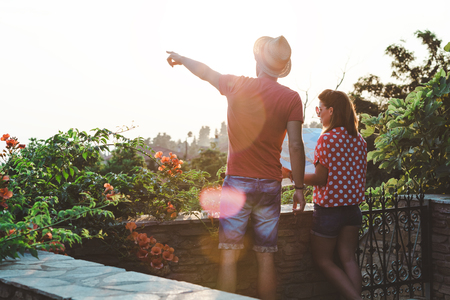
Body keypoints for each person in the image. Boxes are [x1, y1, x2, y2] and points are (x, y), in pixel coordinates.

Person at [167, 35, 306, 300]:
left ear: (257, 59)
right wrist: (298, 188)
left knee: (228, 257)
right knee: (266, 257)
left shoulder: (236, 85)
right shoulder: (291, 98)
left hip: (237, 184)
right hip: (269, 184)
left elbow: (206, 73)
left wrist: (182, 59)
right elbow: (296, 146)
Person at [300, 89, 367, 300]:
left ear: (331, 110)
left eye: (319, 109)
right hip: (353, 211)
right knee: (348, 259)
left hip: (329, 212)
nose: (317, 113)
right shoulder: (360, 140)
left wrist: (292, 174)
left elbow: (320, 179)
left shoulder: (326, 139)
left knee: (324, 261)